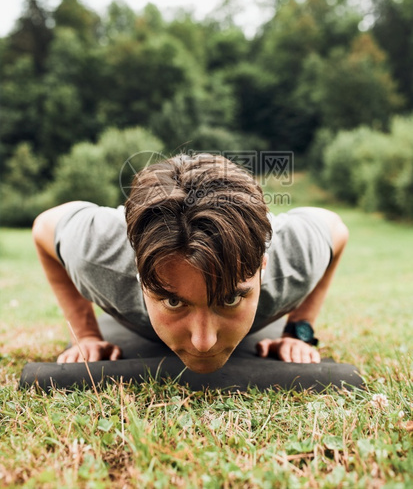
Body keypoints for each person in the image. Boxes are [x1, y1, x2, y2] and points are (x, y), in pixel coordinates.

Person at [32, 153, 348, 374]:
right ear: (139, 274)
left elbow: (336, 231)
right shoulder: (98, 253)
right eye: (173, 301)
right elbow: (44, 227)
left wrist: (298, 331)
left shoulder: (294, 257)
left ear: (263, 266)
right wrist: (86, 335)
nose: (203, 342)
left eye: (230, 298)